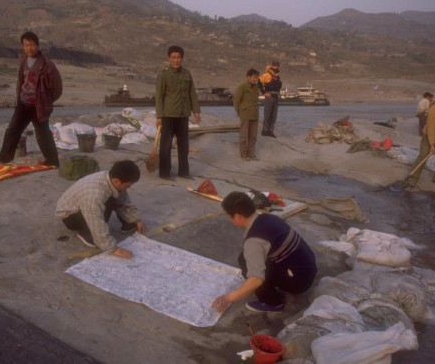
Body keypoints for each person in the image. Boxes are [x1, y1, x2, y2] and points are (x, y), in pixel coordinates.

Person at [211, 192, 317, 313]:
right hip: (307, 270)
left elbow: (256, 280)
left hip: (299, 283)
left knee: (246, 263)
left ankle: (273, 303)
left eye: (229, 216)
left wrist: (228, 298)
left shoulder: (254, 241)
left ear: (237, 217)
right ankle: (280, 285)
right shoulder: (268, 218)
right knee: (246, 257)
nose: (229, 219)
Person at [0, 31, 62, 167]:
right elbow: (21, 81)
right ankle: (5, 156)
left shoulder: (48, 65)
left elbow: (57, 88)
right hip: (23, 103)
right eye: (26, 45)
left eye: (33, 45)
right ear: (23, 46)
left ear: (38, 45)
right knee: (13, 129)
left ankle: (53, 160)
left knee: (42, 134)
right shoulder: (23, 61)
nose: (30, 48)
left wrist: (46, 101)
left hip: (38, 106)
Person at [55, 160, 145, 259]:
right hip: (70, 216)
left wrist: (136, 220)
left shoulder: (111, 179)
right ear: (116, 181)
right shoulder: (95, 194)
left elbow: (124, 200)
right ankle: (86, 233)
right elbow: (96, 220)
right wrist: (111, 248)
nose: (129, 187)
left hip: (84, 205)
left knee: (116, 193)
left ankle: (128, 223)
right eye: (128, 185)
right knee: (105, 201)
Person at [155, 45, 201, 180]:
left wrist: (196, 110)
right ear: (169, 58)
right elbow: (159, 96)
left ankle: (183, 172)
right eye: (173, 57)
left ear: (182, 58)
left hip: (183, 115)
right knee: (165, 145)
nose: (176, 60)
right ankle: (164, 173)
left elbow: (191, 92)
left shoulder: (187, 74)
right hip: (168, 115)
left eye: (179, 57)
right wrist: (159, 116)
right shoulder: (164, 74)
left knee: (184, 145)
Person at [233, 68, 260, 161]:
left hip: (254, 114)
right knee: (244, 135)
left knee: (253, 136)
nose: (255, 79)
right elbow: (236, 101)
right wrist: (240, 113)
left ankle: (251, 153)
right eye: (254, 77)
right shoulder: (242, 87)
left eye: (257, 78)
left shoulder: (256, 88)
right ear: (248, 77)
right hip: (245, 114)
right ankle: (243, 154)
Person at [257, 60, 282, 138]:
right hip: (269, 96)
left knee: (274, 115)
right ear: (272, 66)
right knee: (267, 114)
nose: (276, 66)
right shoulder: (267, 74)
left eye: (277, 65)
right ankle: (264, 131)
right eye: (275, 65)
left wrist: (279, 93)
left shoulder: (277, 76)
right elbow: (259, 82)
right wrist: (264, 92)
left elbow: (277, 86)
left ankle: (271, 131)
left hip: (275, 96)